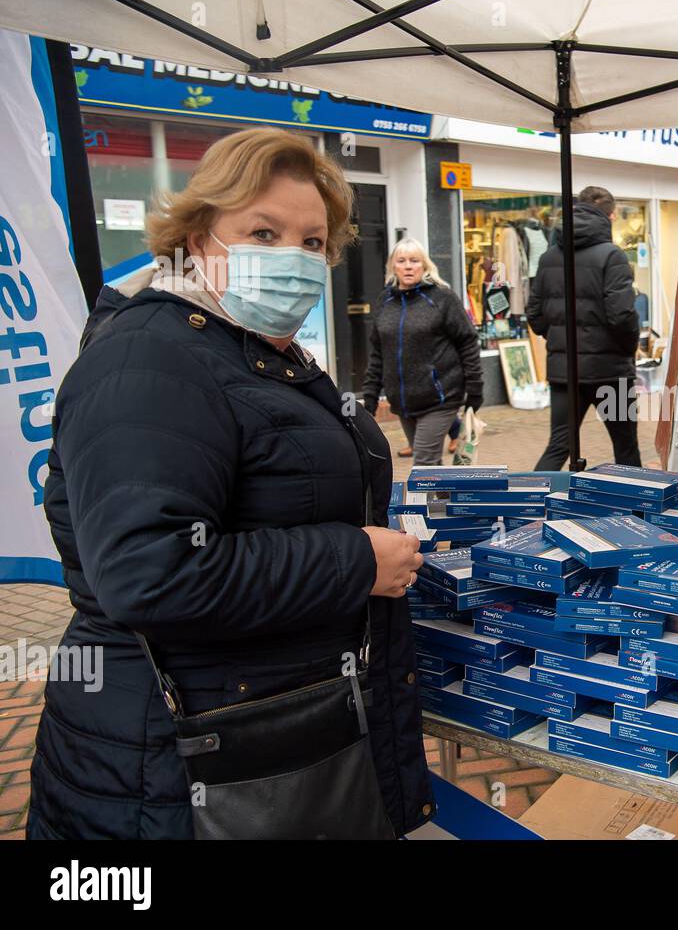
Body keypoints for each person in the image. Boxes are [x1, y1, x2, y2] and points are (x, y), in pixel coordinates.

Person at [29, 128, 430, 839]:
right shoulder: (148, 360)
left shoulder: (248, 350)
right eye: (263, 231)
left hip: (272, 741)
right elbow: (150, 571)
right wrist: (357, 560)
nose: (294, 259)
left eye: (312, 242)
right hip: (177, 770)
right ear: (198, 236)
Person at [528, 185, 641, 469]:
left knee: (558, 447)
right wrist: (628, 350)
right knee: (625, 447)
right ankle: (636, 509)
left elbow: (534, 313)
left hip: (565, 373)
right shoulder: (612, 256)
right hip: (611, 373)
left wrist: (560, 339)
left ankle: (530, 504)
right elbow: (622, 316)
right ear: (611, 216)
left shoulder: (549, 257)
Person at [363, 238, 482, 465]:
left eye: (414, 261)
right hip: (403, 401)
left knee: (424, 463)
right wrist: (369, 398)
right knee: (433, 469)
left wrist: (475, 389)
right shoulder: (384, 300)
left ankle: (427, 500)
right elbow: (378, 353)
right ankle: (445, 500)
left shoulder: (442, 297)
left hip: (440, 397)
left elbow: (467, 342)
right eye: (402, 261)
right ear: (392, 266)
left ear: (425, 266)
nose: (408, 266)